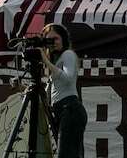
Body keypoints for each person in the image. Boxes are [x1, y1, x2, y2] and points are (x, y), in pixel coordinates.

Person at [40, 23, 86, 158]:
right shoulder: (57, 60)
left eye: (56, 39)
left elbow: (68, 78)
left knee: (66, 155)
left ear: (63, 39)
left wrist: (45, 61)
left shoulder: (68, 54)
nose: (53, 43)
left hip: (70, 108)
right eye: (49, 40)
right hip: (62, 110)